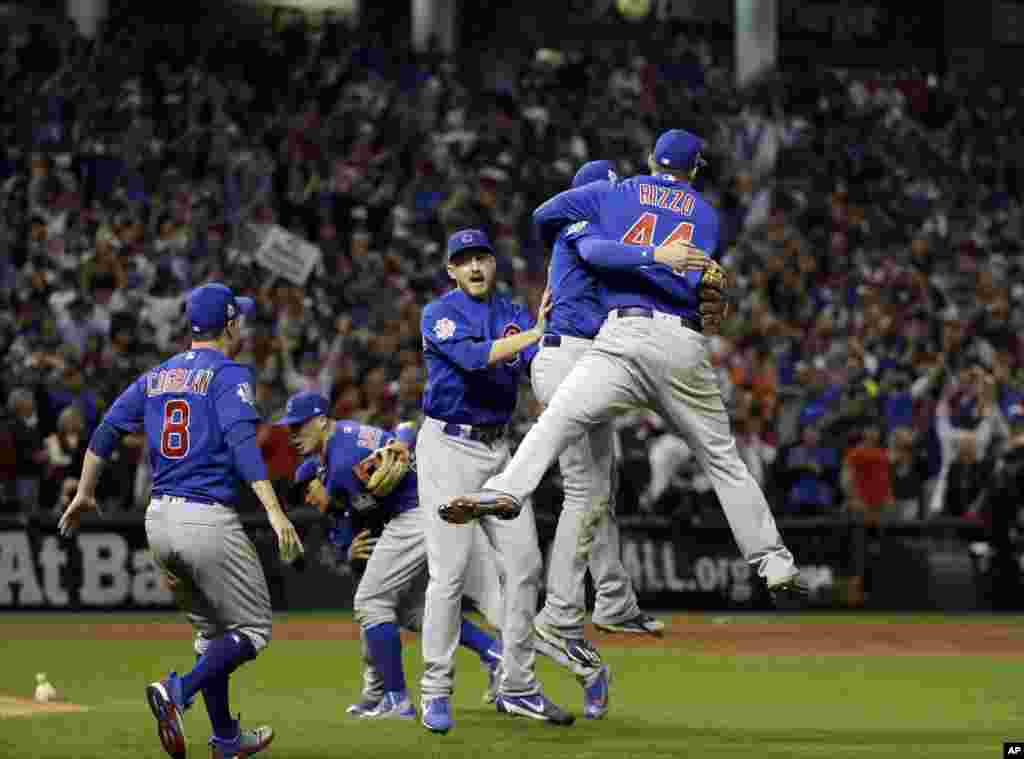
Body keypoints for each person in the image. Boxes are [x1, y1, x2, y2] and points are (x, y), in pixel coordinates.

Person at [445, 129, 806, 604]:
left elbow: (557, 225)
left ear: (652, 160)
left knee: (557, 419)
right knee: (723, 460)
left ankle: (507, 490)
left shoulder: (618, 191)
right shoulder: (707, 214)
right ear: (694, 170)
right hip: (681, 341)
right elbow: (700, 289)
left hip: (623, 336)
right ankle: (775, 563)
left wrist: (592, 214)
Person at [59, 283, 304, 759]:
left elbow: (107, 430)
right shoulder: (229, 373)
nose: (244, 327)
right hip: (204, 518)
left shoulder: (157, 375)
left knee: (213, 636)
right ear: (230, 324)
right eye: (241, 319)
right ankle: (179, 690)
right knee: (252, 631)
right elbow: (241, 446)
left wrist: (86, 491)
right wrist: (275, 511)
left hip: (159, 520)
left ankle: (226, 740)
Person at [416, 228, 574, 733]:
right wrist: (534, 334)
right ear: (451, 271)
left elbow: (536, 366)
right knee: (450, 573)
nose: (475, 266)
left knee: (526, 565)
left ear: (493, 262)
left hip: (499, 451)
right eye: (464, 261)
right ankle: (435, 690)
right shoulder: (439, 313)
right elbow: (470, 359)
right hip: (448, 448)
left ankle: (518, 686)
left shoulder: (514, 311)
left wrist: (563, 352)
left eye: (481, 256)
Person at [277, 396, 503, 720]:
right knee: (414, 612)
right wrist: (403, 442)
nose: (293, 434)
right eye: (290, 428)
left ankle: (396, 699)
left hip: (415, 515)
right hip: (432, 508)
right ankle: (495, 654)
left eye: (299, 426)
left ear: (321, 420)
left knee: (371, 603)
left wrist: (404, 445)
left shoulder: (340, 463)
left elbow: (366, 514)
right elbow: (406, 428)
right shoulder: (348, 438)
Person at [532, 160, 677, 660]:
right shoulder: (583, 226)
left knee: (598, 492)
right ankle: (559, 613)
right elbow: (599, 252)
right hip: (569, 357)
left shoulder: (607, 239)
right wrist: (659, 256)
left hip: (582, 359)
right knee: (583, 492)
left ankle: (612, 601)